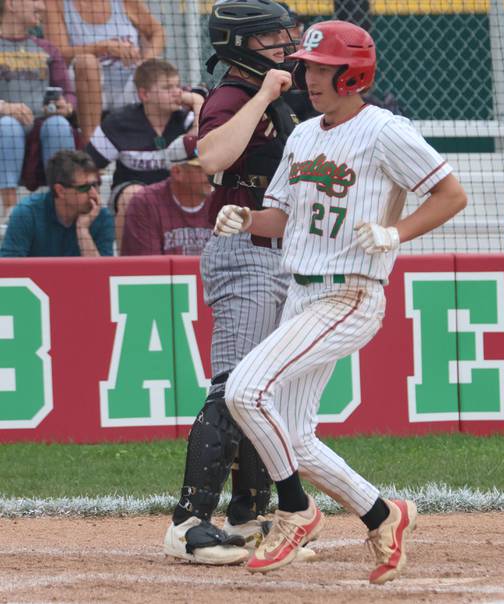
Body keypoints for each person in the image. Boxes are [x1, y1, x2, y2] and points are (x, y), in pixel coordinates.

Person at [214, 20, 467, 584]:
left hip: (351, 292)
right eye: (308, 65)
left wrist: (397, 233)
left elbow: (452, 194)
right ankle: (383, 514)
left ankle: (295, 509)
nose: (310, 76)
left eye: (323, 67)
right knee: (296, 437)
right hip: (300, 293)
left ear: (353, 73)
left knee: (245, 390)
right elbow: (283, 217)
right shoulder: (303, 136)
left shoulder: (384, 130)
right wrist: (246, 219)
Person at [162, 0, 312, 566]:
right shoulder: (233, 95)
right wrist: (264, 97)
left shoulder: (274, 96)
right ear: (242, 43)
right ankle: (189, 521)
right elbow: (213, 157)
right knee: (231, 388)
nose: (286, 46)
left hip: (276, 254)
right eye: (275, 37)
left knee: (259, 391)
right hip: (243, 253)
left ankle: (249, 515)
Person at [84, 58, 204, 249]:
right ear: (144, 94)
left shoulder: (187, 119)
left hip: (177, 194)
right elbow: (86, 166)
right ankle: (129, 267)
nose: (177, 92)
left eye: (177, 86)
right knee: (134, 194)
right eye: (167, 88)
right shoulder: (118, 124)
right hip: (132, 193)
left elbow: (200, 147)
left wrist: (198, 103)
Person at [43, 0, 165, 146]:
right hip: (84, 86)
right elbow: (59, 52)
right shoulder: (56, 4)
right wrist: (103, 47)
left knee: (155, 72)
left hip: (129, 83)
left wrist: (145, 60)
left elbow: (157, 32)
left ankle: (158, 145)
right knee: (87, 62)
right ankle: (91, 148)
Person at [0, 0, 77, 213]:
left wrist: (67, 105)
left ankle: (61, 206)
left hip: (42, 123)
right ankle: (10, 210)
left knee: (59, 124)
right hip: (5, 126)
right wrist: (4, 107)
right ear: (12, 4)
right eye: (36, 0)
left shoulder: (48, 48)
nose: (42, 7)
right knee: (7, 125)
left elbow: (69, 93)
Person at [0, 149, 113, 257]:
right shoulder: (27, 214)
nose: (94, 193)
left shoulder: (102, 216)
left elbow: (102, 274)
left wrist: (82, 230)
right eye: (84, 188)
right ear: (60, 191)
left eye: (95, 184)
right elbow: (9, 272)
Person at [120, 135, 212, 256]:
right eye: (202, 167)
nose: (212, 171)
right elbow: (147, 268)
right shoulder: (146, 203)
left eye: (213, 163)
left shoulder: (223, 201)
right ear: (177, 172)